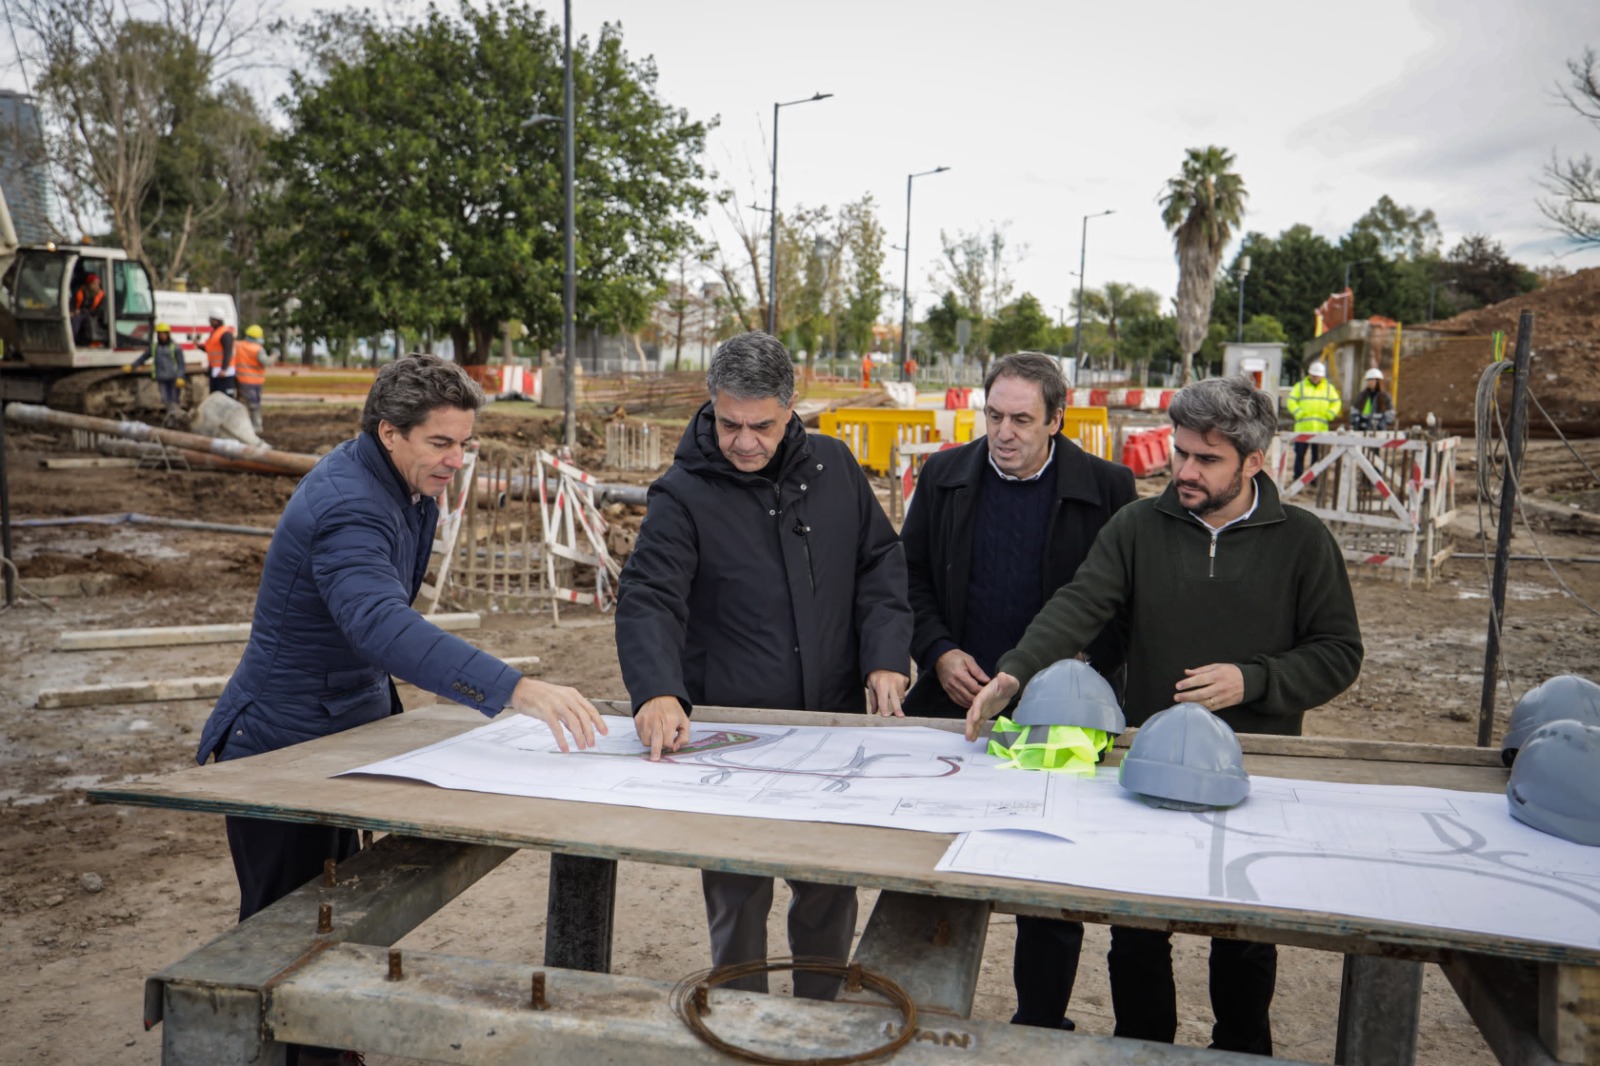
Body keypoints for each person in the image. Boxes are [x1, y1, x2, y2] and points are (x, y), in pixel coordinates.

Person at [195, 354, 606, 1066]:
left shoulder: (401, 482)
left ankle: (328, 1051)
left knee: (333, 923)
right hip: (280, 748)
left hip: (337, 735)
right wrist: (516, 689)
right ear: (389, 432)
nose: (456, 460)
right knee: (281, 937)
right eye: (440, 442)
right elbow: (379, 624)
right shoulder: (350, 504)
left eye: (465, 443)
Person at [964, 374, 1363, 1056]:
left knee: (1244, 940)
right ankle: (1142, 1047)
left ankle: (1241, 1049)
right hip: (1145, 771)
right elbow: (1080, 603)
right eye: (1180, 452)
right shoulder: (1138, 527)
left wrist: (1254, 679)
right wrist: (1015, 672)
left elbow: (1338, 652)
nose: (1184, 470)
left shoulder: (1302, 540)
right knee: (1137, 934)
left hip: (1252, 774)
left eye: (1206, 459)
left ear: (1254, 461)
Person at [615, 330, 912, 1000]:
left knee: (828, 886)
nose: (744, 442)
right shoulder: (682, 493)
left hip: (830, 724)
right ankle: (738, 1014)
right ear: (711, 405)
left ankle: (819, 1014)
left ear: (791, 408)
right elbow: (649, 596)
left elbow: (879, 562)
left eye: (762, 426)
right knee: (737, 892)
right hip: (733, 734)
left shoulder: (835, 467)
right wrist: (657, 689)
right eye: (730, 424)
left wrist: (885, 656)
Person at [901, 351, 1134, 1031]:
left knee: (1046, 881)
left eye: (1022, 420)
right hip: (954, 708)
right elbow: (908, 578)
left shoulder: (1109, 487)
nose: (1003, 432)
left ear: (1057, 419)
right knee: (931, 868)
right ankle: (922, 1013)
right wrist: (939, 653)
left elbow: (1126, 600)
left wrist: (1071, 671)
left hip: (1059, 717)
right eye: (994, 415)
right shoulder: (943, 476)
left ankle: (1042, 1022)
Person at [126, 321, 188, 426]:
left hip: (174, 379)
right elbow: (143, 357)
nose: (162, 336)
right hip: (162, 378)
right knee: (165, 399)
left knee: (174, 400)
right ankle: (173, 419)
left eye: (164, 334)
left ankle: (174, 420)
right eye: (160, 334)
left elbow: (181, 363)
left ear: (168, 334)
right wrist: (133, 366)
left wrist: (180, 376)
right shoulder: (154, 347)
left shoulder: (175, 347)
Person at [1286, 359, 1341, 478]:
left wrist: (1330, 414)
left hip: (1320, 429)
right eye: (1314, 375)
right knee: (1299, 455)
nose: (1316, 377)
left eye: (1318, 375)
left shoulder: (1328, 388)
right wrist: (1298, 413)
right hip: (1303, 428)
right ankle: (1297, 477)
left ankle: (1314, 479)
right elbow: (1291, 401)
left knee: (1317, 457)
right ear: (1310, 374)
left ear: (1322, 376)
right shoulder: (1300, 386)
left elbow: (1336, 402)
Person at [234, 324, 268, 433]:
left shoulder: (238, 345)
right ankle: (256, 426)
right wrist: (275, 355)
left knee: (244, 404)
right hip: (254, 381)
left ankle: (244, 424)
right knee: (254, 405)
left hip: (242, 380)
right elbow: (266, 362)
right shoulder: (258, 349)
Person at [201, 313, 237, 396]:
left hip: (225, 372)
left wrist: (224, 369)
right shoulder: (214, 334)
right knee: (216, 396)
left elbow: (228, 352)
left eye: (211, 320)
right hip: (216, 370)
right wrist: (199, 346)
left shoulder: (225, 334)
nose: (209, 322)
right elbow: (210, 349)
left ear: (216, 320)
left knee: (226, 397)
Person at [71, 272, 105, 346]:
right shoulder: (80, 294)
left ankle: (72, 339)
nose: (97, 286)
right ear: (88, 284)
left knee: (78, 319)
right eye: (94, 283)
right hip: (82, 315)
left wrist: (81, 311)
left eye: (97, 283)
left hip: (95, 318)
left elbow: (99, 311)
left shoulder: (103, 297)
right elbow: (73, 304)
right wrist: (72, 311)